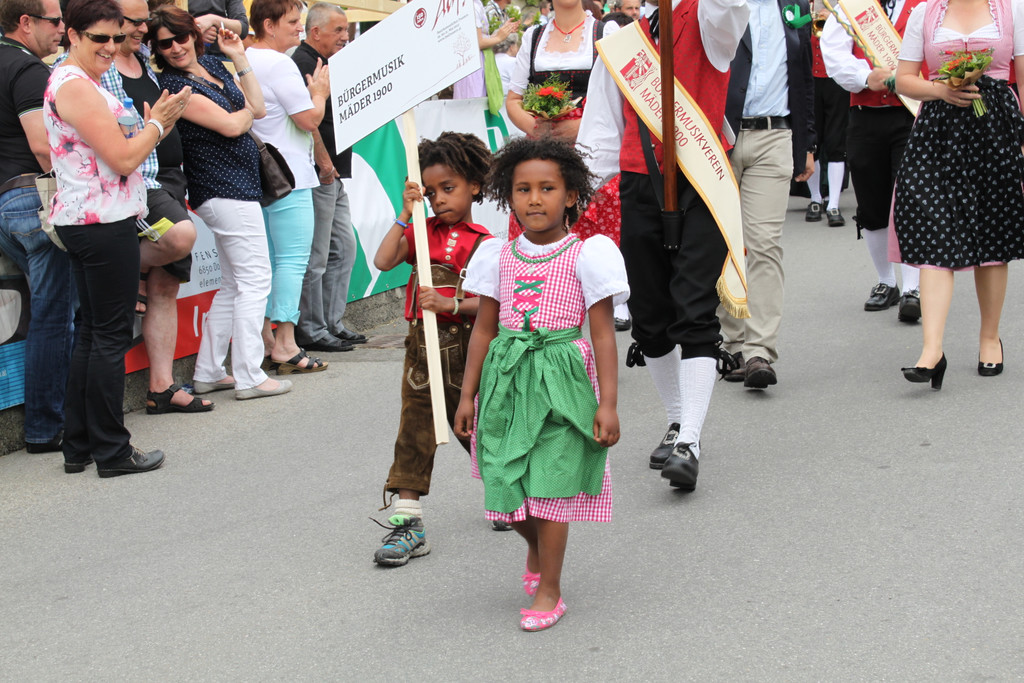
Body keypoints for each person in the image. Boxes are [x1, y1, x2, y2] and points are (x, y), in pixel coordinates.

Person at [454, 137, 627, 632]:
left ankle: (550, 588)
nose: (534, 199)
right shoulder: (498, 256)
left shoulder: (587, 254)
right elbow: (483, 330)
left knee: (551, 487)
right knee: (504, 485)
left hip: (562, 382)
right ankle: (536, 546)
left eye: (547, 188)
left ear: (570, 195)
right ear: (508, 196)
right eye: (523, 189)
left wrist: (608, 404)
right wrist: (467, 396)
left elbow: (602, 334)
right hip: (507, 381)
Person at [576, 0, 749, 489]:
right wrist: (579, 194)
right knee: (649, 316)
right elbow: (601, 125)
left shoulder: (707, 16)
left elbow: (732, 8)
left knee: (693, 307)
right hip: (638, 182)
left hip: (701, 180)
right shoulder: (623, 38)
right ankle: (676, 419)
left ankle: (690, 440)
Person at [45, 0, 189, 476]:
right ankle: (112, 451)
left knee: (92, 333)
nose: (110, 46)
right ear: (72, 35)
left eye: (116, 37)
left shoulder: (78, 81)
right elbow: (125, 159)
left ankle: (80, 447)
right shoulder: (75, 85)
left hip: (93, 219)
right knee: (107, 336)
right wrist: (158, 124)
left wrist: (151, 126)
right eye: (99, 38)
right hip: (101, 223)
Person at [150, 6, 291, 401]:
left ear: (193, 36)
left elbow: (258, 109)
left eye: (180, 37)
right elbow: (232, 125)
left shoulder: (213, 63)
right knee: (255, 280)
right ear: (157, 51)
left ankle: (210, 371)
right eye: (165, 44)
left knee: (234, 283)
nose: (175, 47)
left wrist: (239, 56)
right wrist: (242, 115)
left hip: (237, 187)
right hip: (220, 188)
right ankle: (249, 375)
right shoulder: (174, 85)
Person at [371, 132, 493, 567]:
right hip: (421, 352)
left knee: (474, 427)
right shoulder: (421, 234)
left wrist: (450, 304)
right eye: (432, 191)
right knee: (415, 430)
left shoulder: (486, 244)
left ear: (474, 186)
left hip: (466, 352)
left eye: (449, 188)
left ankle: (505, 492)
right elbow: (383, 261)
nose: (439, 199)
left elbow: (495, 304)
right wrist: (406, 214)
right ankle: (409, 523)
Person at [892, 0, 1024, 388]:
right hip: (938, 134)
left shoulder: (1013, 9)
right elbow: (904, 79)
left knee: (992, 233)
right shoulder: (925, 12)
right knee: (934, 231)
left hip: (995, 128)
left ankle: (989, 337)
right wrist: (940, 89)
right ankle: (932, 350)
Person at [97, 0, 210, 415]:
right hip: (140, 182)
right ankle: (129, 266)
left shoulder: (144, 58)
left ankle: (161, 388)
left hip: (171, 178)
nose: (144, 29)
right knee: (179, 236)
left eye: (145, 21)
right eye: (136, 22)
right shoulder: (102, 67)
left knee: (166, 286)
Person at [720, 0, 816, 389]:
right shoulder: (722, 5)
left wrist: (807, 143)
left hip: (775, 137)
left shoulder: (795, 6)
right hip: (720, 137)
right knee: (724, 243)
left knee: (764, 244)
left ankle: (758, 350)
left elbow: (804, 77)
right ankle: (731, 343)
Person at [0, 0, 75, 455]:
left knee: (54, 312)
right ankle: (46, 428)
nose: (62, 28)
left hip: (8, 204)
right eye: (54, 20)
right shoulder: (28, 69)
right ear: (25, 23)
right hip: (34, 199)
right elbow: (44, 147)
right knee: (55, 315)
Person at [820, 0, 923, 321]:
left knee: (910, 199)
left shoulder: (925, 4)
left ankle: (913, 288)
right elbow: (833, 52)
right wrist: (866, 76)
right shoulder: (854, 4)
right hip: (865, 115)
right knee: (871, 203)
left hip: (912, 115)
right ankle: (886, 281)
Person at [247, 0, 333, 374]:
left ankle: (268, 341)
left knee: (268, 262)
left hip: (262, 176)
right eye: (293, 21)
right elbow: (309, 119)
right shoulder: (278, 63)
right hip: (290, 177)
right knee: (292, 261)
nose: (300, 28)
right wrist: (320, 93)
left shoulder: (247, 58)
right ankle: (285, 343)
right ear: (269, 24)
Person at [292, 3, 365, 353]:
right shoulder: (303, 63)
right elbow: (308, 121)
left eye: (346, 29)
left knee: (344, 249)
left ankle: (332, 323)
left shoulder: (329, 62)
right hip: (318, 172)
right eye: (338, 29)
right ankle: (311, 329)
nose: (345, 36)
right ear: (315, 31)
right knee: (317, 256)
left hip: (333, 173)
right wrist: (322, 161)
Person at [805, 7, 849, 227]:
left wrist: (835, 18)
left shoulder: (844, 7)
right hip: (811, 79)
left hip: (837, 80)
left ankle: (833, 203)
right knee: (812, 140)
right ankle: (815, 198)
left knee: (836, 141)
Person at [452, 0, 518, 99]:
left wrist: (502, 32)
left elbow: (481, 38)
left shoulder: (476, 4)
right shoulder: (471, 6)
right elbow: (477, 43)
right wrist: (499, 37)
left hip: (477, 64)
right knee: (472, 101)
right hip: (472, 66)